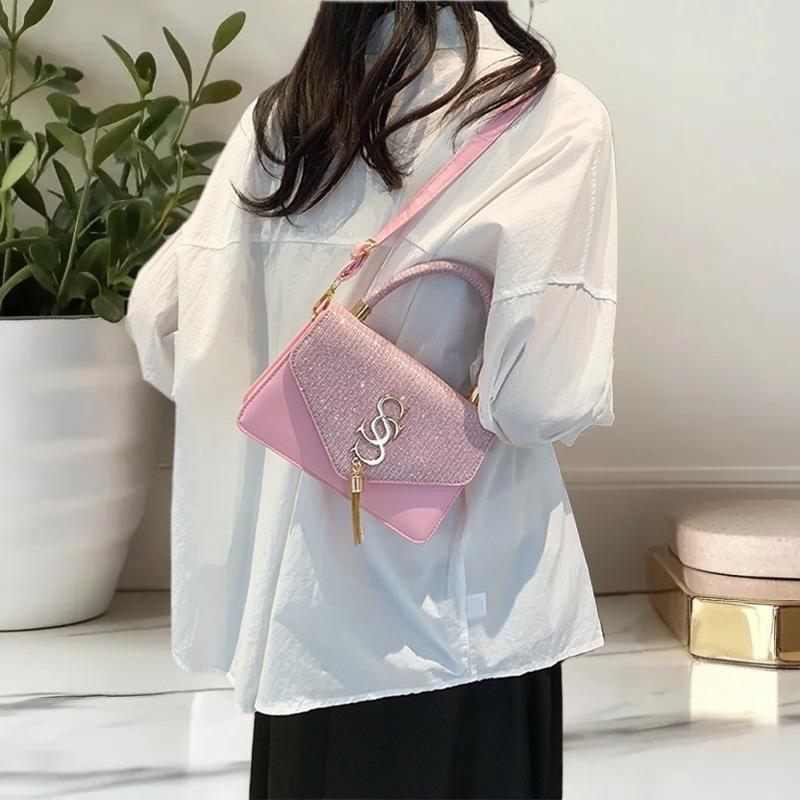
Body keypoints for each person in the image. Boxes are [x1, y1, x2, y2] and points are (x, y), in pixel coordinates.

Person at [126, 2, 618, 798]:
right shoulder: (552, 116)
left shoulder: (289, 115)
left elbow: (162, 318)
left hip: (299, 611)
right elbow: (540, 400)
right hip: (470, 609)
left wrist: (314, 384)